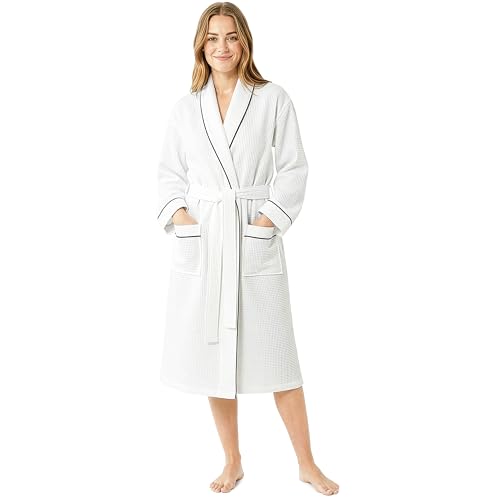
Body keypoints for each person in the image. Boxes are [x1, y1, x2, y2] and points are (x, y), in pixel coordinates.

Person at [157, 2, 340, 496]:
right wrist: (184, 220)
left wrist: (266, 222)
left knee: (280, 358)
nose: (222, 46)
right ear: (201, 45)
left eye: (231, 36)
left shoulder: (272, 98)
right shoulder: (186, 108)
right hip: (206, 241)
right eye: (213, 37)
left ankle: (306, 463)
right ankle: (233, 461)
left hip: (252, 236)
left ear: (245, 43)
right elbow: (168, 175)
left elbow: (294, 167)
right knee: (215, 361)